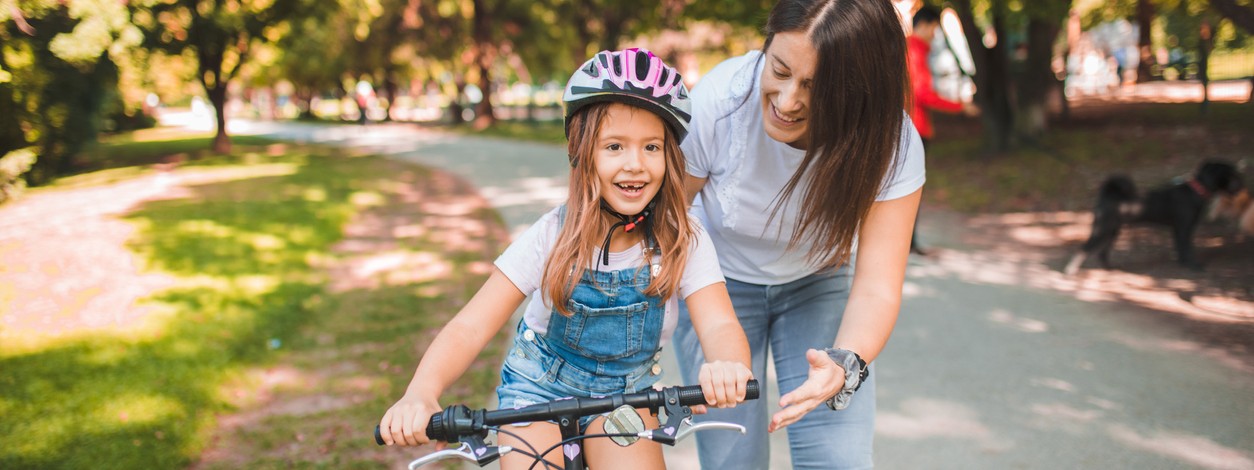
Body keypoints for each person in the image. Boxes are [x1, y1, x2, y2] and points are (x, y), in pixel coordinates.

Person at [378, 48, 753, 470]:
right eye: (614, 146)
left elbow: (720, 322)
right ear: (582, 153)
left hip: (625, 394)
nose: (635, 164)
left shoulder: (683, 239)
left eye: (651, 147)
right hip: (536, 389)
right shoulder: (551, 235)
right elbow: (470, 325)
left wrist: (728, 365)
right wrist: (422, 392)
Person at [672, 1, 924, 468]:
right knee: (734, 458)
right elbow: (666, 221)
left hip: (816, 282)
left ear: (859, 93)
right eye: (780, 70)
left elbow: (877, 284)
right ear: (765, 48)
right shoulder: (721, 101)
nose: (787, 101)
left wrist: (845, 361)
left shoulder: (893, 142)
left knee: (839, 458)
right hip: (715, 284)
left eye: (815, 87)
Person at [906, 5, 977, 255]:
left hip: (910, 128)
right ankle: (908, 244)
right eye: (934, 29)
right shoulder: (913, 51)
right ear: (923, 25)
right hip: (914, 130)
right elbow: (922, 93)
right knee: (910, 189)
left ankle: (908, 243)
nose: (935, 36)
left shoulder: (909, 50)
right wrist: (959, 106)